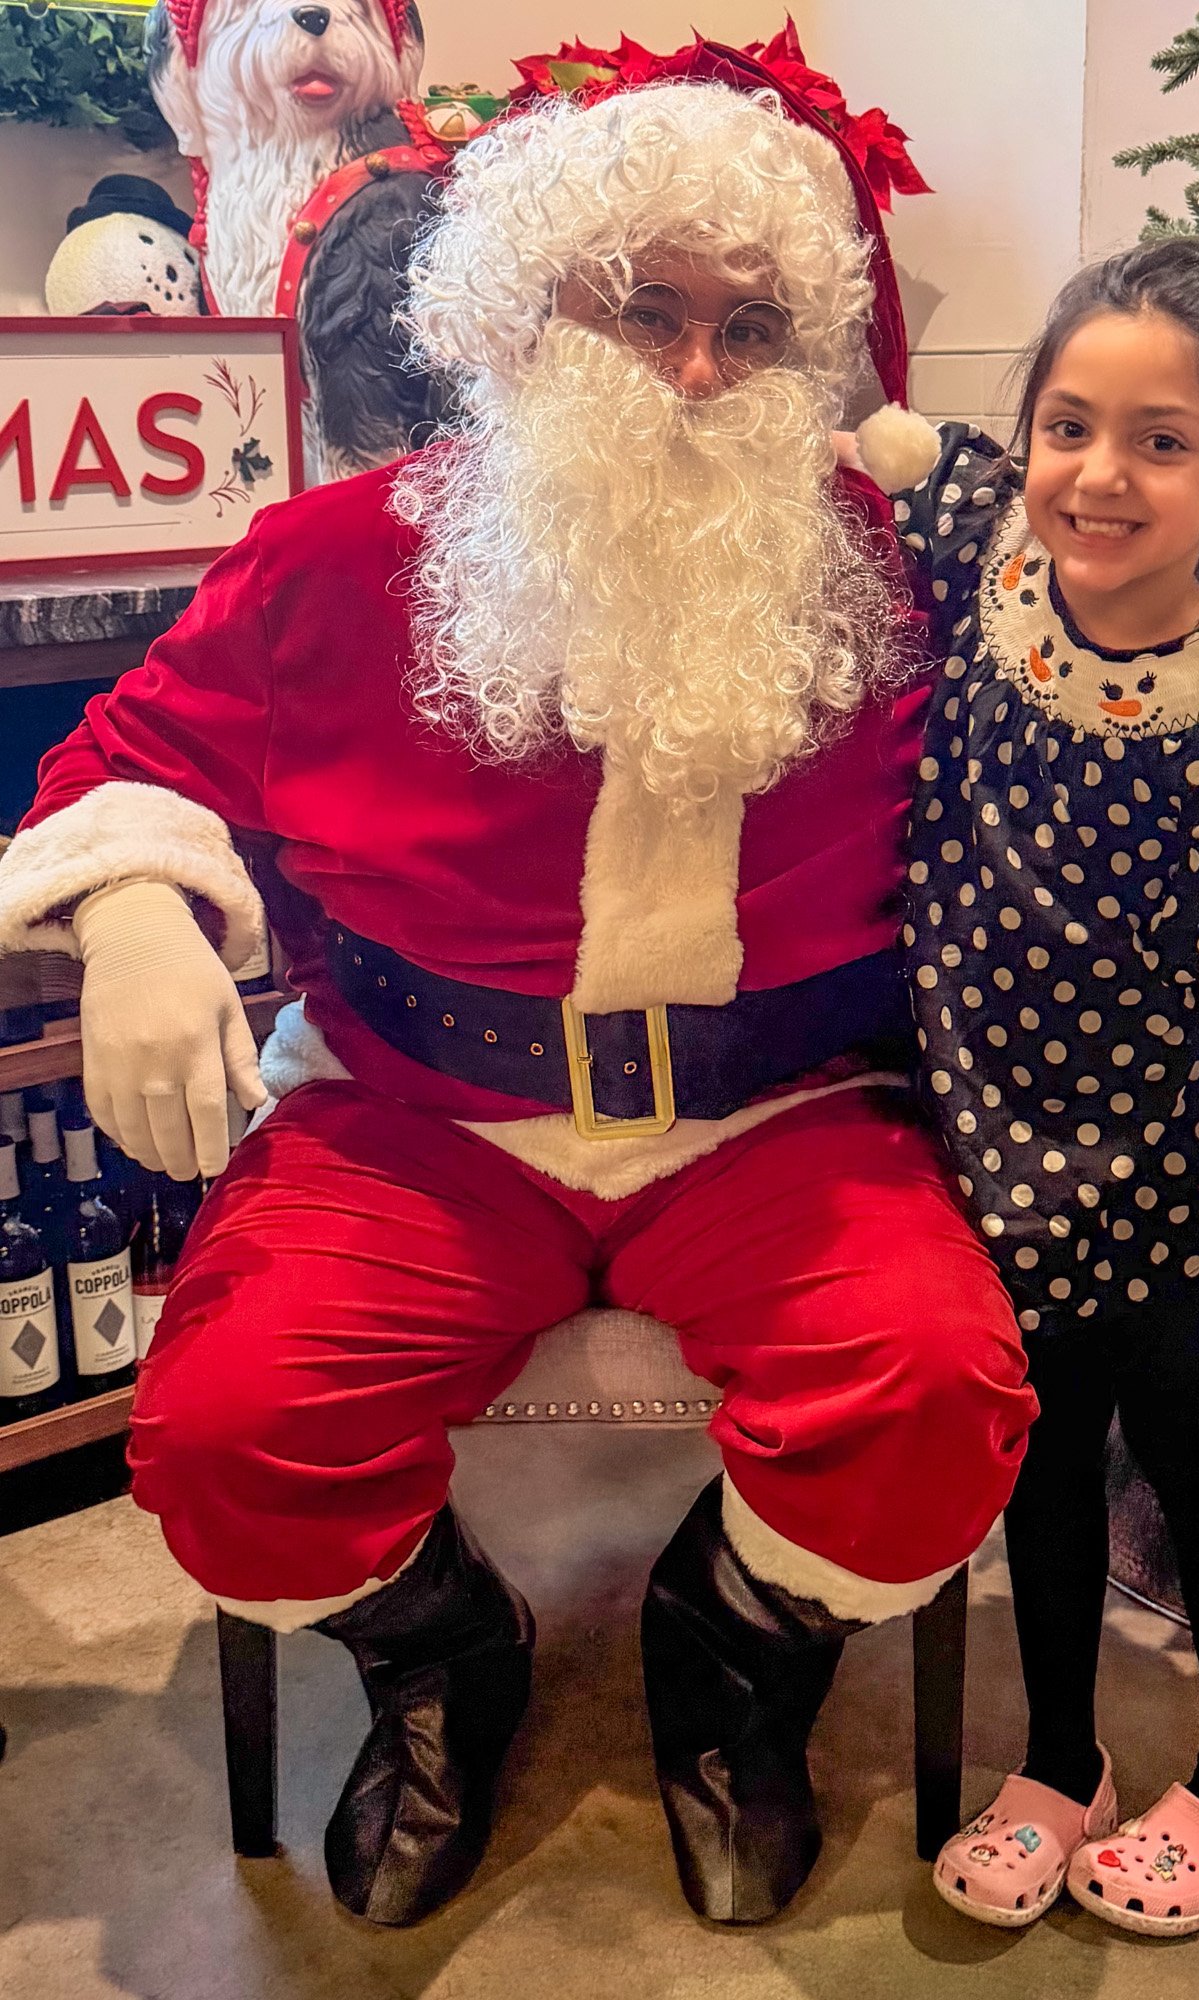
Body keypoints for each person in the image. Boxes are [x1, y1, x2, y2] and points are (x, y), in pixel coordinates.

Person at [0, 60, 1040, 1930]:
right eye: (647, 310)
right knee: (233, 1433)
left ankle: (731, 1653)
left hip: (780, 1121)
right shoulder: (333, 562)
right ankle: (443, 1654)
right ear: (523, 312)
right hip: (417, 1117)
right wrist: (142, 915)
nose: (703, 372)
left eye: (752, 325)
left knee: (928, 1400)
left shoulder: (899, 569)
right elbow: (120, 767)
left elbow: (1087, 712)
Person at [845, 237, 1199, 1940]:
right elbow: (867, 436)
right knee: (1042, 1469)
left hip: (1153, 1182)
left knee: (1195, 1464)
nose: (1101, 475)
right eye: (1068, 426)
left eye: (1160, 442)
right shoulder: (989, 555)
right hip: (978, 1161)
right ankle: (1065, 1760)